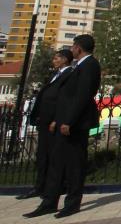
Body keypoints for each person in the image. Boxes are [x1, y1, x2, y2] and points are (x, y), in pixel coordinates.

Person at [27, 35, 101, 218]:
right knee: (57, 163)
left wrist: (69, 121)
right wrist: (58, 119)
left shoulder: (90, 65)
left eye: (74, 46)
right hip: (63, 121)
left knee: (75, 165)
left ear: (78, 48)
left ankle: (72, 203)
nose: (72, 49)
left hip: (75, 124)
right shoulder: (80, 66)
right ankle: (49, 201)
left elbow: (82, 96)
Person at [18, 50, 74, 201]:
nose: (53, 60)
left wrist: (57, 119)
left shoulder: (70, 74)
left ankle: (52, 185)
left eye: (56, 58)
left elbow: (65, 100)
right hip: (44, 120)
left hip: (54, 122)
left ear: (64, 60)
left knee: (52, 155)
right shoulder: (55, 74)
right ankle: (40, 185)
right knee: (42, 155)